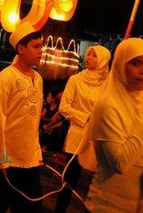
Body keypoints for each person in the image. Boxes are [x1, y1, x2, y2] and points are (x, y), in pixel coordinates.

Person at [85, 38, 143, 213]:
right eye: (135, 63)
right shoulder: (107, 105)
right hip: (106, 207)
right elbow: (120, 163)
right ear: (120, 65)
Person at [0, 22, 44, 213]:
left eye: (42, 46)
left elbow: (33, 123)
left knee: (32, 206)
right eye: (36, 46)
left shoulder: (38, 78)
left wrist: (37, 153)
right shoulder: (6, 77)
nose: (41, 51)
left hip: (29, 159)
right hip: (6, 160)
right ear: (21, 48)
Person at [55, 45, 111, 213]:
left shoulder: (109, 83)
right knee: (69, 181)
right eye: (88, 54)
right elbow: (64, 107)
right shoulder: (76, 80)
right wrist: (85, 117)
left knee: (96, 185)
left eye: (94, 56)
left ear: (103, 60)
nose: (88, 57)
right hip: (77, 136)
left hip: (97, 139)